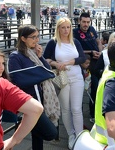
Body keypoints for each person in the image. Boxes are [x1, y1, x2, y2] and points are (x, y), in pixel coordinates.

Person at [7, 25, 59, 150]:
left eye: (37, 36)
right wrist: (40, 74)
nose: (36, 40)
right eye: (33, 37)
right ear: (23, 38)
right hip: (28, 102)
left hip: (41, 99)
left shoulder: (35, 54)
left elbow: (49, 72)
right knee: (51, 133)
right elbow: (20, 80)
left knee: (37, 136)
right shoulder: (16, 56)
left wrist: (40, 57)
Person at [43, 18, 86, 149]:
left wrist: (67, 63)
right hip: (62, 79)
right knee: (66, 109)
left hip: (77, 77)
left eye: (68, 27)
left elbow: (82, 58)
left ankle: (79, 136)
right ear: (58, 29)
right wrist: (56, 64)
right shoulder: (53, 42)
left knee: (77, 109)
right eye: (63, 27)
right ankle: (71, 134)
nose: (66, 30)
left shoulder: (75, 42)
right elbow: (46, 59)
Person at [73, 12, 102, 123]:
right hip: (81, 65)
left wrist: (99, 51)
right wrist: (91, 52)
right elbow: (74, 51)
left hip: (95, 63)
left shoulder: (92, 29)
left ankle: (93, 113)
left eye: (88, 22)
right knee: (79, 90)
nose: (86, 24)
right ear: (79, 21)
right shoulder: (74, 33)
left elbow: (97, 41)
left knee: (95, 89)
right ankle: (77, 115)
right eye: (84, 22)